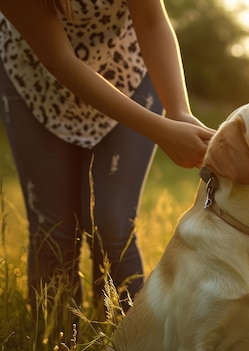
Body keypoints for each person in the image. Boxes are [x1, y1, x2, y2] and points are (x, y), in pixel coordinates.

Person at [0, 0, 215, 340]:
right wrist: (160, 131)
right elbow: (61, 61)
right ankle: (60, 340)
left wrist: (178, 112)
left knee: (113, 223)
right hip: (36, 81)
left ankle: (134, 340)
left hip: (127, 67)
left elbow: (152, 21)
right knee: (53, 231)